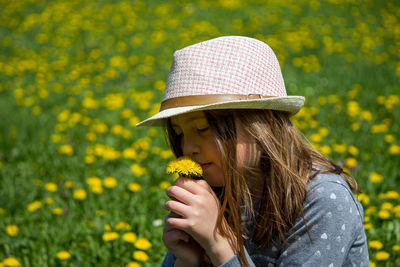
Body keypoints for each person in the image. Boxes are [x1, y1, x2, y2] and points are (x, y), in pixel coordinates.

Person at [136, 36, 369, 267]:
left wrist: (219, 245)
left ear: (263, 121)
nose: (187, 148)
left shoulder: (322, 200)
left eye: (202, 128)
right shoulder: (215, 191)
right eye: (179, 133)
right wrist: (187, 260)